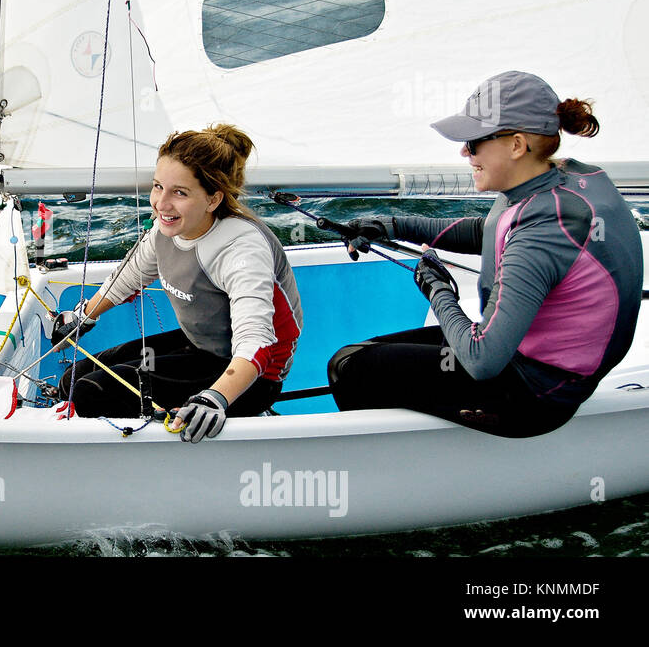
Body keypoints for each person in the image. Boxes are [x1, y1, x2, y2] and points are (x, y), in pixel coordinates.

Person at [328, 70, 643, 437]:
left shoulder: (543, 230)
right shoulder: (561, 182)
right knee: (364, 350)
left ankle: (408, 468)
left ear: (517, 145)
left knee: (348, 366)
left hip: (534, 396)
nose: (464, 151)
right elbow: (490, 230)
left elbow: (481, 358)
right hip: (546, 368)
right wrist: (391, 224)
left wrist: (437, 289)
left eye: (474, 142)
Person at [50, 124, 303, 443]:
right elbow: (127, 279)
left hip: (253, 376)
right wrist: (83, 317)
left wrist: (216, 398)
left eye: (179, 192)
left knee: (90, 393)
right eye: (158, 187)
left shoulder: (240, 248)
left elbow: (257, 341)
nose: (161, 203)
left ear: (213, 199)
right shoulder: (166, 230)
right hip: (202, 347)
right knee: (75, 378)